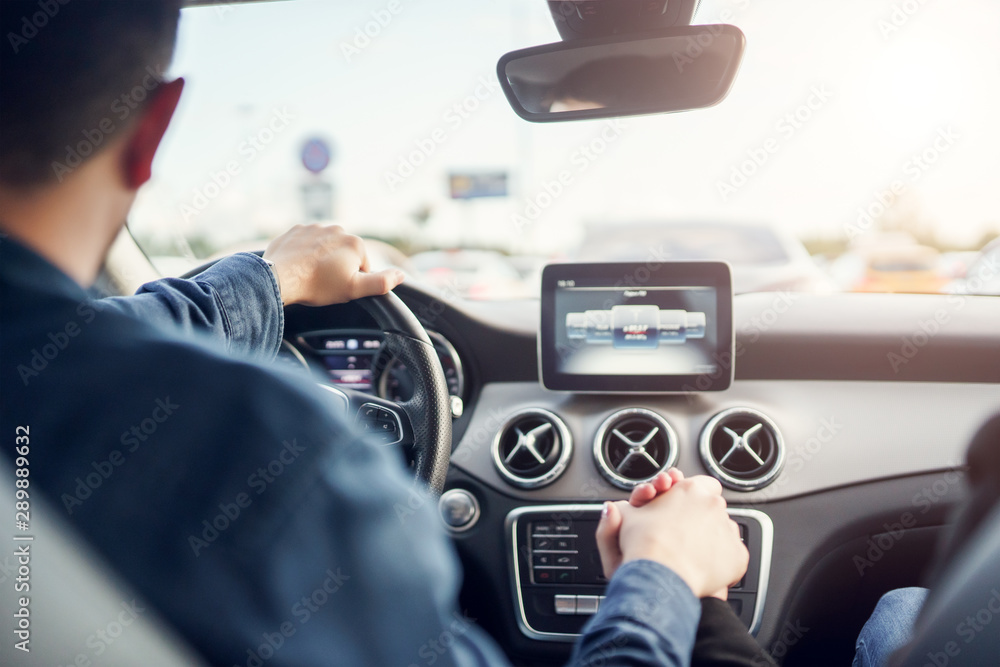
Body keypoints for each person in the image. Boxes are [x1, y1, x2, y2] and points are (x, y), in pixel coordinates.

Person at [0, 2, 753, 665]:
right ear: (154, 129)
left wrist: (271, 278)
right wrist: (665, 575)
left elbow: (77, 342)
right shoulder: (274, 455)